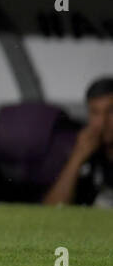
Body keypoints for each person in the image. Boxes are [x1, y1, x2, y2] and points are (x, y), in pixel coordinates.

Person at [44, 77, 113, 207]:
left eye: (111, 111)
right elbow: (52, 208)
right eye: (95, 113)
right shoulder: (87, 150)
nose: (102, 122)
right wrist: (77, 157)